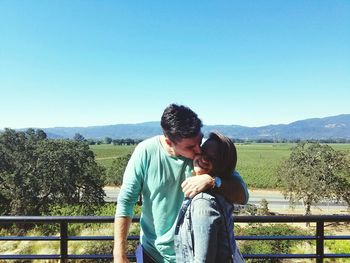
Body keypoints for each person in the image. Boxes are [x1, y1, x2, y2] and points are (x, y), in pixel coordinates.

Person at [114, 104, 248, 263]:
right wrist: (119, 253)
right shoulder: (145, 152)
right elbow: (126, 202)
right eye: (191, 147)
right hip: (151, 253)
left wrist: (212, 181)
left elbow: (242, 195)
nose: (199, 150)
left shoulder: (206, 154)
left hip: (189, 256)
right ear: (169, 142)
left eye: (200, 141)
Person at [175, 131, 246, 262]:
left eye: (212, 159)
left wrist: (212, 180)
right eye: (203, 152)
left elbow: (204, 260)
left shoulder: (203, 202)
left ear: (223, 167)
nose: (204, 159)